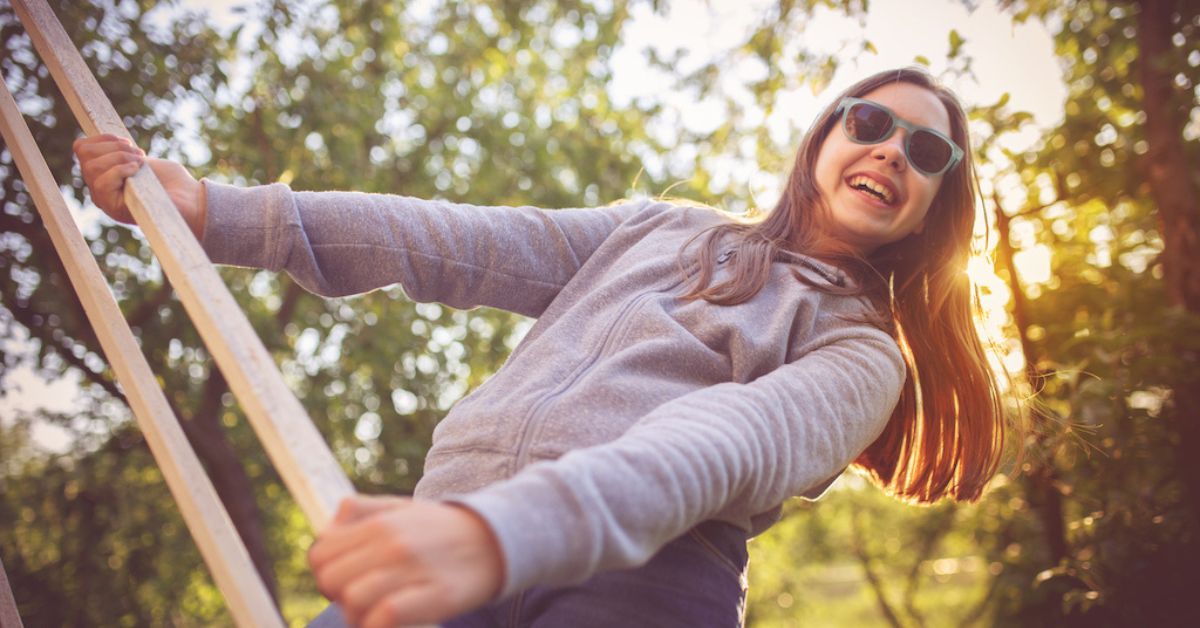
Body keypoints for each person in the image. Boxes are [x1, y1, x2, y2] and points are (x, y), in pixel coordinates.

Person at [74, 66, 1009, 627]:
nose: (891, 151)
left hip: (641, 587)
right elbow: (457, 241)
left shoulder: (864, 354)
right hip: (457, 534)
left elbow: (728, 442)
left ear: (935, 206)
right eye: (873, 122)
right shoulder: (661, 228)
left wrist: (502, 536)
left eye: (926, 153)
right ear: (825, 135)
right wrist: (215, 212)